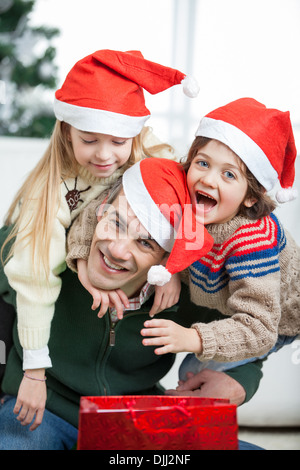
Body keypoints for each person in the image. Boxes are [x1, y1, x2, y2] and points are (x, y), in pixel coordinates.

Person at [0, 158, 264, 450]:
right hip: (40, 408)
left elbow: (249, 330)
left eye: (146, 243)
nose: (117, 250)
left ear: (167, 260)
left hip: (132, 419)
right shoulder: (48, 250)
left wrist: (242, 381)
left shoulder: (189, 294)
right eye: (116, 223)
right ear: (100, 210)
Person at [0, 49, 199, 429]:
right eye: (89, 140)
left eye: (118, 141)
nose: (105, 155)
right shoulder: (49, 195)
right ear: (67, 132)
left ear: (136, 134)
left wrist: (172, 267)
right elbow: (35, 280)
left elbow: (179, 210)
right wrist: (34, 372)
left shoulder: (151, 156)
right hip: (49, 382)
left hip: (123, 408)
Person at [137, 98, 300, 377]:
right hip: (230, 298)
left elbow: (260, 328)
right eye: (202, 162)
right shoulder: (190, 196)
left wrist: (194, 338)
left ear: (250, 196)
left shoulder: (252, 241)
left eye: (228, 174)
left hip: (278, 315)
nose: (209, 180)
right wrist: (171, 265)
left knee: (192, 370)